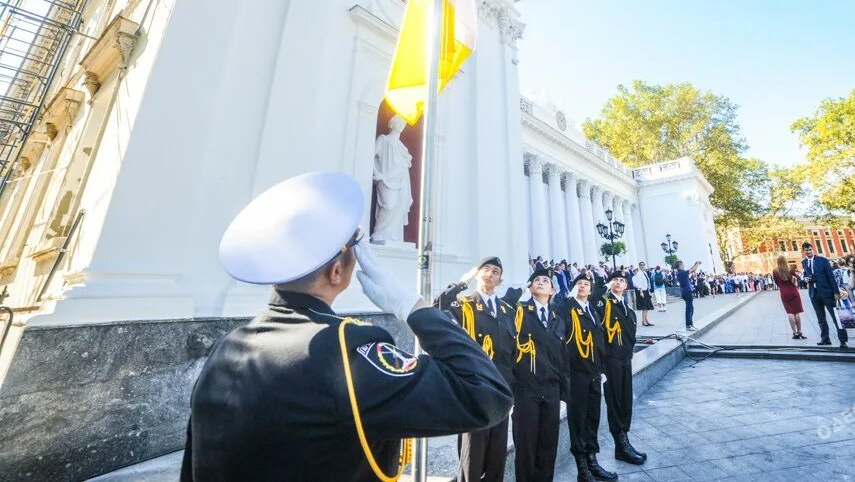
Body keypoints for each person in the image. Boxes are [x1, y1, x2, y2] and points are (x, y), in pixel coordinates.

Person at [181, 172, 512, 482]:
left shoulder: (227, 349)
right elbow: (486, 394)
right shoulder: (348, 351)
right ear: (336, 273)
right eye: (354, 245)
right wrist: (412, 306)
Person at [437, 258, 517, 482]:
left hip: (502, 387)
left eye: (495, 271)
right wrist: (462, 282)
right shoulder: (464, 304)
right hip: (475, 386)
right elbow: (438, 305)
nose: (490, 274)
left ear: (500, 280)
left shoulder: (507, 310)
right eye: (485, 270)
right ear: (477, 274)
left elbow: (512, 350)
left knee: (497, 451)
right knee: (472, 450)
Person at [557, 274, 617, 482]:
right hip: (576, 374)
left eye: (586, 285)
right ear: (574, 289)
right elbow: (558, 314)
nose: (582, 286)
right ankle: (582, 469)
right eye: (578, 284)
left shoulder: (591, 308)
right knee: (578, 420)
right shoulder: (567, 308)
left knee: (592, 418)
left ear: (590, 291)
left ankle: (593, 462)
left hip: (593, 374)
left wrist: (601, 369)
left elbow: (599, 339)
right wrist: (568, 298)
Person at [511, 268, 568, 482]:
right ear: (530, 287)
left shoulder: (558, 320)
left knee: (548, 445)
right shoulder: (519, 313)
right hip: (527, 390)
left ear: (553, 290)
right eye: (537, 280)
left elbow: (564, 358)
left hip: (551, 391)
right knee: (526, 448)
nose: (542, 282)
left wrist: (564, 391)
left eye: (546, 280)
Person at [597, 270, 646, 467]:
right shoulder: (604, 303)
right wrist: (604, 287)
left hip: (625, 361)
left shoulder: (628, 309)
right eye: (614, 280)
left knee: (625, 401)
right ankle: (620, 444)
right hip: (610, 362)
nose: (618, 282)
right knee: (615, 402)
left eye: (621, 280)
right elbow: (593, 302)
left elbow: (630, 336)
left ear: (627, 286)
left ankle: (624, 443)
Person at [801, 242, 849, 348]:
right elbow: (806, 274)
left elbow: (831, 276)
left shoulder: (822, 260)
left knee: (836, 316)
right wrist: (805, 279)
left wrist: (836, 292)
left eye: (809, 250)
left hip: (827, 292)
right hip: (814, 293)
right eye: (806, 250)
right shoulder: (804, 262)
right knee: (821, 318)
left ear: (812, 249)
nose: (808, 252)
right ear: (803, 251)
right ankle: (825, 339)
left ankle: (843, 340)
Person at [772, 256, 805, 339]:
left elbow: (776, 282)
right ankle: (800, 331)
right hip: (793, 291)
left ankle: (794, 332)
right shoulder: (790, 269)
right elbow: (796, 280)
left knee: (790, 312)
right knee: (797, 312)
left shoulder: (775, 271)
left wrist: (782, 286)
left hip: (784, 292)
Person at [674, 260, 700, 331]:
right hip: (687, 292)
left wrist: (695, 264)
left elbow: (691, 269)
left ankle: (690, 324)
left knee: (691, 308)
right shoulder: (681, 273)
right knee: (689, 309)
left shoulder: (681, 272)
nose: (684, 265)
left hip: (686, 292)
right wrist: (697, 264)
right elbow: (692, 270)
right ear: (679, 265)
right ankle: (688, 325)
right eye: (682, 264)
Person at [631, 262, 654, 326]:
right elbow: (639, 283)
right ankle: (643, 321)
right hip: (642, 291)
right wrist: (641, 292)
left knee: (647, 307)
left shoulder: (644, 273)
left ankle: (646, 320)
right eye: (641, 265)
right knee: (644, 307)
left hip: (646, 290)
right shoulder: (639, 273)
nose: (642, 266)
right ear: (639, 266)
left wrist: (649, 291)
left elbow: (647, 282)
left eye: (643, 265)